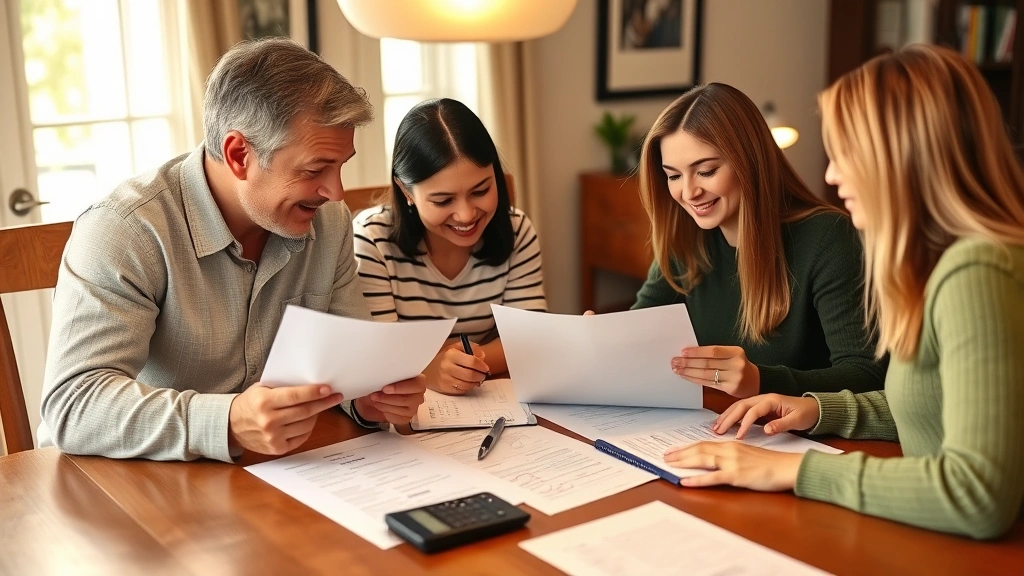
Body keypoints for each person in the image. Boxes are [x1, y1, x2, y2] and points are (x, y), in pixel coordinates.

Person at [664, 45, 1024, 539]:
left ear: (905, 156)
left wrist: (789, 470)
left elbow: (978, 494)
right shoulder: (939, 263)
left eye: (846, 154)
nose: (831, 176)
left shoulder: (975, 270)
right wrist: (818, 409)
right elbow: (931, 407)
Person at [39, 38, 426, 462]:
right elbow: (72, 405)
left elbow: (353, 364)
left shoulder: (327, 222)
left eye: (341, 165)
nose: (335, 192)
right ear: (239, 154)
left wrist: (367, 400)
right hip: (122, 482)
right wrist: (224, 421)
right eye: (315, 169)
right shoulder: (126, 231)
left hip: (275, 473)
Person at [632, 82, 886, 399]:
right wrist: (600, 339)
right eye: (673, 175)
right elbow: (637, 332)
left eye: (706, 171)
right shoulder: (684, 239)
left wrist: (761, 380)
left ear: (749, 161)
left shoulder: (827, 238)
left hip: (803, 439)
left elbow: (868, 375)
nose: (688, 192)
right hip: (712, 427)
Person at [352, 98, 546, 395]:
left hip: (493, 395)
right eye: (443, 201)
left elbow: (531, 338)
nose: (467, 215)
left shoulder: (517, 230)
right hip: (406, 403)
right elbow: (382, 350)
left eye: (480, 191)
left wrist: (450, 362)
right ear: (406, 192)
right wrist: (432, 369)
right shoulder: (372, 239)